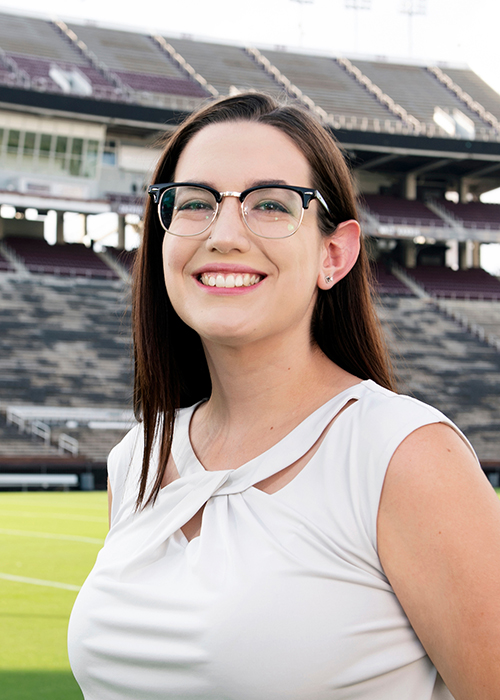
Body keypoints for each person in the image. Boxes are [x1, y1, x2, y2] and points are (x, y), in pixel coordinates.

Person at [68, 93, 500, 700]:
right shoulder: (135, 458)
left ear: (334, 253)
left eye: (269, 204)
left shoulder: (403, 458)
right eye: (195, 203)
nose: (224, 234)